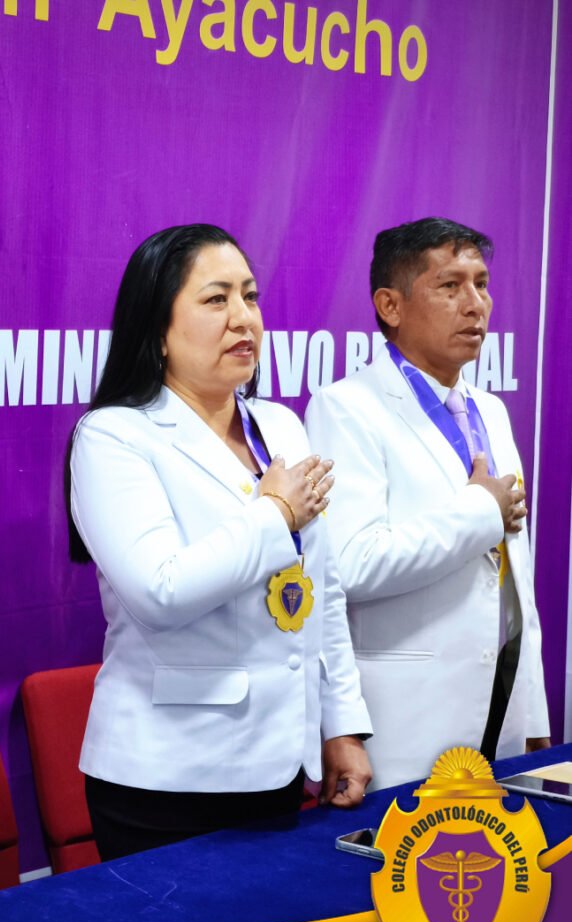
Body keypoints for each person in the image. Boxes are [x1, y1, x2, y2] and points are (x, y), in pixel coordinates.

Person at [64, 224, 373, 861]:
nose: (243, 318)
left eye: (250, 296)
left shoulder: (279, 424)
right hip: (167, 775)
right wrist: (275, 514)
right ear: (157, 329)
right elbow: (161, 591)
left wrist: (340, 723)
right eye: (216, 299)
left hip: (279, 763)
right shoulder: (113, 435)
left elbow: (321, 590)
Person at [305, 217, 550, 790]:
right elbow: (351, 564)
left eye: (481, 284)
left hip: (503, 710)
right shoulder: (346, 408)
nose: (475, 304)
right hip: (405, 722)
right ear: (390, 306)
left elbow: (515, 578)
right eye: (450, 286)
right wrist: (479, 513)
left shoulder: (491, 410)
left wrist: (532, 706)